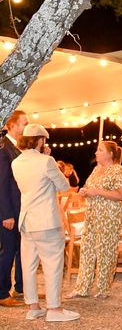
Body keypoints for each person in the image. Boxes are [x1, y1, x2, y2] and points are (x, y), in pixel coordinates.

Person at [12, 124, 80, 322]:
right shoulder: (47, 161)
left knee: (28, 265)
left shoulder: (16, 162)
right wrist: (50, 160)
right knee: (52, 264)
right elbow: (64, 185)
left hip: (26, 221)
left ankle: (33, 307)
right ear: (40, 140)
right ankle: (54, 310)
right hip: (47, 222)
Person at [67, 141, 122, 299]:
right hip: (92, 215)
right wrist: (84, 191)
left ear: (110, 154)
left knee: (105, 251)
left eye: (100, 150)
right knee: (87, 250)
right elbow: (90, 188)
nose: (96, 153)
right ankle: (82, 287)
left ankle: (103, 288)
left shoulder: (118, 170)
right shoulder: (96, 169)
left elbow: (121, 195)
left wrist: (98, 192)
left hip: (109, 217)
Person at [0, 109, 28, 307]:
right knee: (8, 251)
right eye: (24, 123)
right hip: (9, 211)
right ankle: (1, 293)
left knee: (20, 249)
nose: (26, 127)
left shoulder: (18, 148)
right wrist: (7, 214)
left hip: (20, 208)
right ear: (13, 124)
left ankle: (19, 289)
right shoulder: (3, 149)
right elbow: (1, 184)